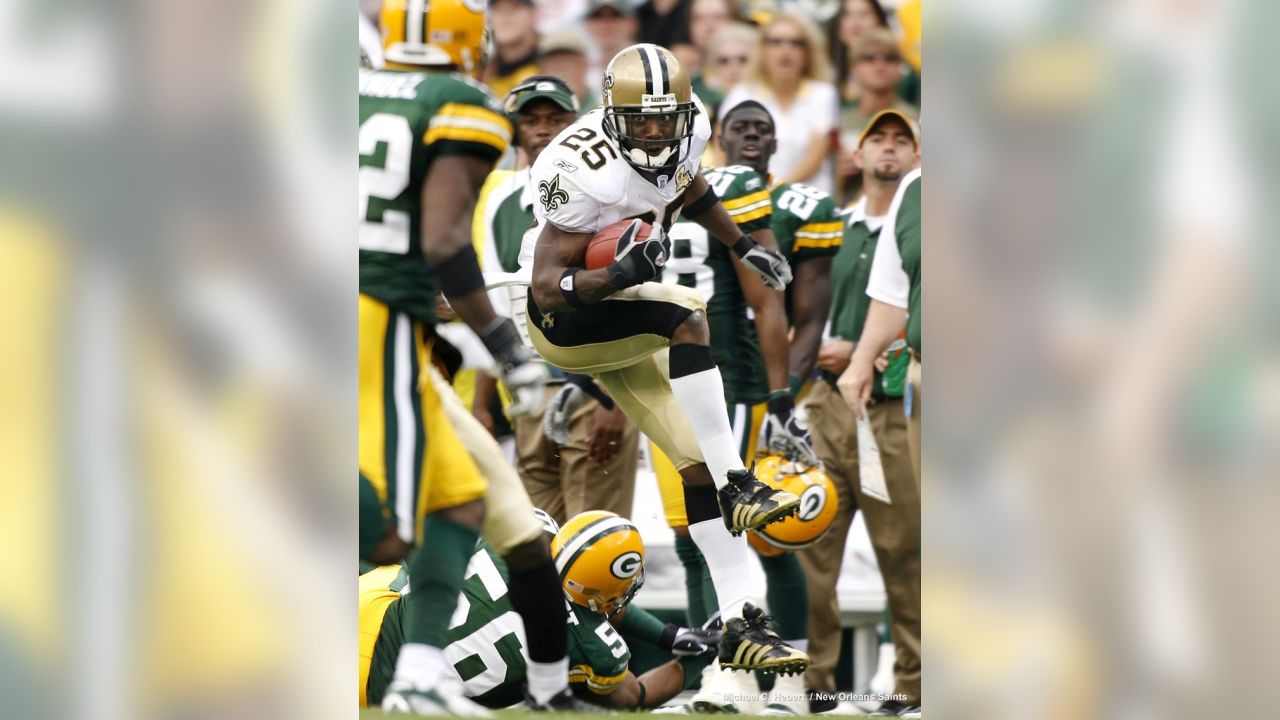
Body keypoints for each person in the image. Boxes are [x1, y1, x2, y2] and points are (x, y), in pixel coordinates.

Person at [520, 43, 810, 674]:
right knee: (686, 311)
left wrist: (740, 243)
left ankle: (741, 623)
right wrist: (621, 271)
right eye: (640, 120)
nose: (654, 132)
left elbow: (689, 183)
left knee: (693, 460)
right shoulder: (577, 165)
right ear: (609, 115)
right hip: (560, 322)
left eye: (663, 118)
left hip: (619, 324)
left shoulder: (691, 128)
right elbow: (548, 286)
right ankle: (742, 482)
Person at [359, 1, 582, 713]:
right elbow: (444, 243)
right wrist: (507, 347)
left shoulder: (353, 94)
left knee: (463, 504)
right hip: (377, 323)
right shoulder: (460, 104)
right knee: (390, 526)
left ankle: (428, 678)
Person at [653, 98, 847, 714]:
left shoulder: (730, 186)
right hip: (661, 380)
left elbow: (767, 303)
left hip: (723, 380)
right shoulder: (638, 182)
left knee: (754, 536)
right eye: (742, 127)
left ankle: (786, 681)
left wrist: (780, 393)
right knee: (693, 538)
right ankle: (720, 673)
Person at [472, 76, 641, 524]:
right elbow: (497, 303)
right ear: (516, 130)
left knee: (597, 546)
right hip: (531, 388)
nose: (544, 129)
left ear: (578, 127)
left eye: (556, 119)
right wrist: (483, 402)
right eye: (532, 119)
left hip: (596, 386)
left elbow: (633, 300)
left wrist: (617, 400)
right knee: (540, 548)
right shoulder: (499, 201)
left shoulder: (613, 191)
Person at [359, 511, 723, 710]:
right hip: (380, 690)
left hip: (366, 608)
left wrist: (666, 634)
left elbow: (588, 601)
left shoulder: (527, 538)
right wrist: (701, 656)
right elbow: (635, 696)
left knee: (411, 567)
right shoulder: (592, 641)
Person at [803, 110, 921, 717]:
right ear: (858, 152)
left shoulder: (921, 216)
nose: (890, 148)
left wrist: (872, 347)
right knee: (814, 541)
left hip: (891, 400)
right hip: (827, 398)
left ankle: (913, 685)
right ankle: (816, 686)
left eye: (904, 139)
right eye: (880, 137)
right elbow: (801, 299)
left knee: (906, 549)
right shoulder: (831, 224)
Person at [721, 11, 839, 195]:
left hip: (809, 201)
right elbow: (722, 153)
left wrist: (771, 192)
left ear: (808, 52)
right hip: (747, 201)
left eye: (796, 43)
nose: (786, 50)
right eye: (776, 42)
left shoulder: (824, 94)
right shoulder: (741, 94)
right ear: (762, 50)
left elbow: (814, 160)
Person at [836, 28, 918, 204]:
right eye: (869, 58)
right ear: (853, 67)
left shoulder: (915, 119)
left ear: (900, 68)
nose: (880, 66)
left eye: (889, 58)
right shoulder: (838, 117)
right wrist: (834, 171)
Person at [483, 0, 541, 99]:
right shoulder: (481, 70)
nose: (505, 17)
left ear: (533, 14)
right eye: (498, 9)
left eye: (515, 8)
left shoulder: (553, 61)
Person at [536, 32, 599, 112]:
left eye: (568, 63)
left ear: (585, 66)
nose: (561, 71)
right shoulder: (527, 112)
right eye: (554, 64)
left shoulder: (608, 110)